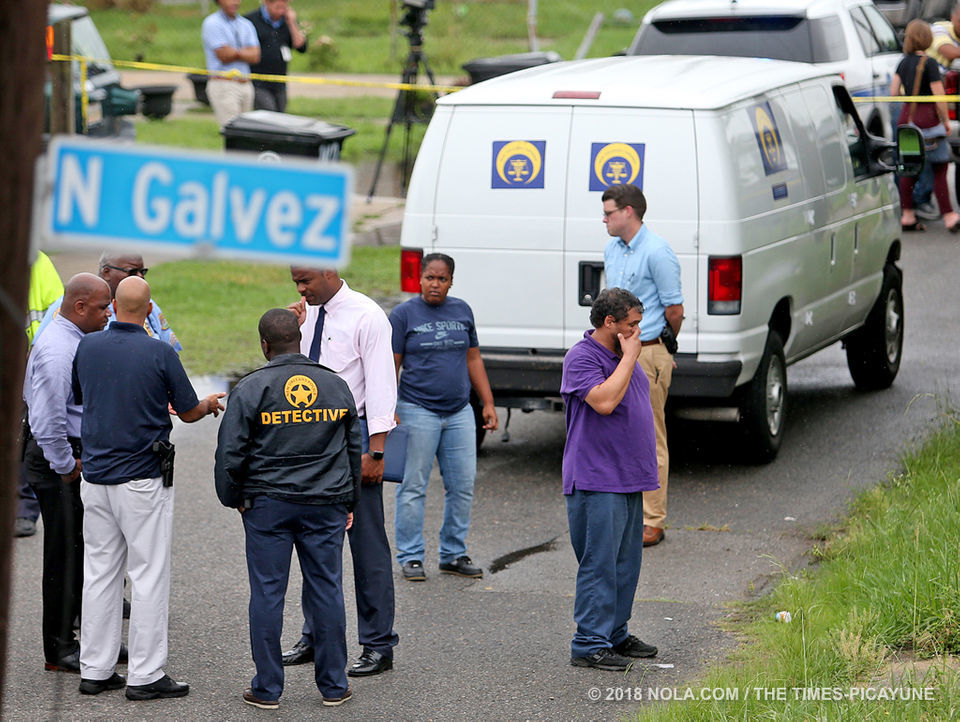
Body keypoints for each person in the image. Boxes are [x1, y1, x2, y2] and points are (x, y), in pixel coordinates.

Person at [72, 276, 225, 699]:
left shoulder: (87, 346)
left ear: (115, 306)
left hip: (96, 477)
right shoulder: (158, 352)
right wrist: (210, 404)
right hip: (141, 478)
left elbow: (81, 395)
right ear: (150, 308)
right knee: (148, 575)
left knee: (99, 574)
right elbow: (190, 412)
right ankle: (145, 675)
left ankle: (96, 668)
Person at [214, 308, 360, 709]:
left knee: (267, 593)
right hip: (325, 504)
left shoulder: (251, 388)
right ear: (300, 337)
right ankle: (334, 686)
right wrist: (348, 500)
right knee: (327, 589)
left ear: (265, 345)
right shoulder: (336, 385)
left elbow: (230, 453)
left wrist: (234, 498)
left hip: (267, 506)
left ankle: (267, 689)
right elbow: (353, 447)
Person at [281, 267, 399, 678]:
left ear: (329, 270)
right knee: (314, 543)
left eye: (306, 281)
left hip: (355, 436)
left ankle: (378, 644)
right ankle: (315, 636)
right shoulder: (305, 314)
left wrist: (376, 451)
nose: (300, 288)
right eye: (295, 280)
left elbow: (383, 385)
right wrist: (292, 329)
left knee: (367, 546)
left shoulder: (367, 316)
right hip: (311, 440)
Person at [561, 287, 660, 671]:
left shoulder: (624, 355)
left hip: (627, 477)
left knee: (625, 564)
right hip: (595, 478)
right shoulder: (582, 357)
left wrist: (630, 356)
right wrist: (632, 356)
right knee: (599, 564)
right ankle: (588, 643)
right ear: (610, 322)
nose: (638, 330)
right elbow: (603, 401)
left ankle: (615, 632)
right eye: (632, 324)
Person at [21, 273, 111, 673]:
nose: (108, 314)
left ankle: (89, 641)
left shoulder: (72, 336)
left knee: (81, 550)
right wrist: (65, 466)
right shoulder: (59, 350)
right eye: (101, 307)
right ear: (79, 308)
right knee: (64, 556)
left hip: (68, 455)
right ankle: (59, 650)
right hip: (58, 460)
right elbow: (46, 419)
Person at [388, 253, 497, 581]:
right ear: (419, 279)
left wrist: (488, 403)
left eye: (442, 279)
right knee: (412, 486)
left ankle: (452, 553)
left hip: (460, 411)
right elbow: (391, 364)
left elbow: (473, 358)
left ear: (451, 281)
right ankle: (411, 556)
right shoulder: (403, 315)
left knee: (463, 484)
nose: (435, 284)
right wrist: (387, 408)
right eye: (429, 278)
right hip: (416, 410)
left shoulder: (462, 310)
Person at [602, 184, 683, 548]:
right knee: (618, 435)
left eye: (609, 212)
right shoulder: (611, 248)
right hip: (616, 353)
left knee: (650, 437)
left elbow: (674, 310)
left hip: (647, 351)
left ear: (629, 212)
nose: (604, 219)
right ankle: (626, 513)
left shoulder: (657, 251)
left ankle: (653, 520)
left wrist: (662, 348)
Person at [35, 252, 182, 352]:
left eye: (142, 272)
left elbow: (170, 349)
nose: (139, 277)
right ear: (106, 272)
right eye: (131, 271)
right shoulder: (71, 304)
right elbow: (41, 347)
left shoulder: (145, 302)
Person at [894, 19, 960, 232]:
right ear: (928, 39)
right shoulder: (930, 63)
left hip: (907, 120)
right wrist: (946, 121)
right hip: (928, 120)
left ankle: (907, 215)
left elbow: (894, 93)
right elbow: (939, 97)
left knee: (909, 168)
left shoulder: (902, 63)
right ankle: (949, 216)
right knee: (939, 168)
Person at [17, 251, 65, 539]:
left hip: (30, 363)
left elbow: (58, 310)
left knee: (25, 436)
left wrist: (40, 353)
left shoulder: (36, 261)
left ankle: (23, 510)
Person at [202, 0, 261, 129]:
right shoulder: (212, 23)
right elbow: (224, 55)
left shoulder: (246, 24)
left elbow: (256, 56)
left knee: (247, 132)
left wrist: (235, 52)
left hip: (245, 84)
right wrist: (245, 52)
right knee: (232, 130)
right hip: (224, 84)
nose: (235, 2)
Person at [245, 0, 307, 112]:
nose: (281, 11)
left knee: (280, 116)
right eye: (277, 7)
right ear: (267, 3)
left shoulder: (287, 21)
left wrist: (292, 22)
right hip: (258, 82)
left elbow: (300, 46)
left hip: (280, 82)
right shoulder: (250, 20)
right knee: (268, 113)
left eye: (284, 8)